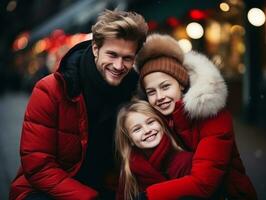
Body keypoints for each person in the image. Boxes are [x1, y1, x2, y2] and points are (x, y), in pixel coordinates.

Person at [9, 10, 148, 200]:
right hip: (46, 190)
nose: (118, 65)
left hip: (105, 187)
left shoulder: (134, 92)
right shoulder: (51, 89)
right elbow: (38, 167)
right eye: (112, 55)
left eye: (127, 58)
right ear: (96, 49)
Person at [135, 33, 257, 199]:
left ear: (182, 85)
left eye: (165, 87)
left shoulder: (214, 118)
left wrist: (148, 196)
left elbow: (204, 183)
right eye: (151, 92)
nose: (159, 97)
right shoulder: (157, 119)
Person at [115, 100, 193, 200]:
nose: (147, 131)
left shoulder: (185, 161)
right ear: (130, 140)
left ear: (161, 124)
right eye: (137, 129)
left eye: (150, 122)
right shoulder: (129, 170)